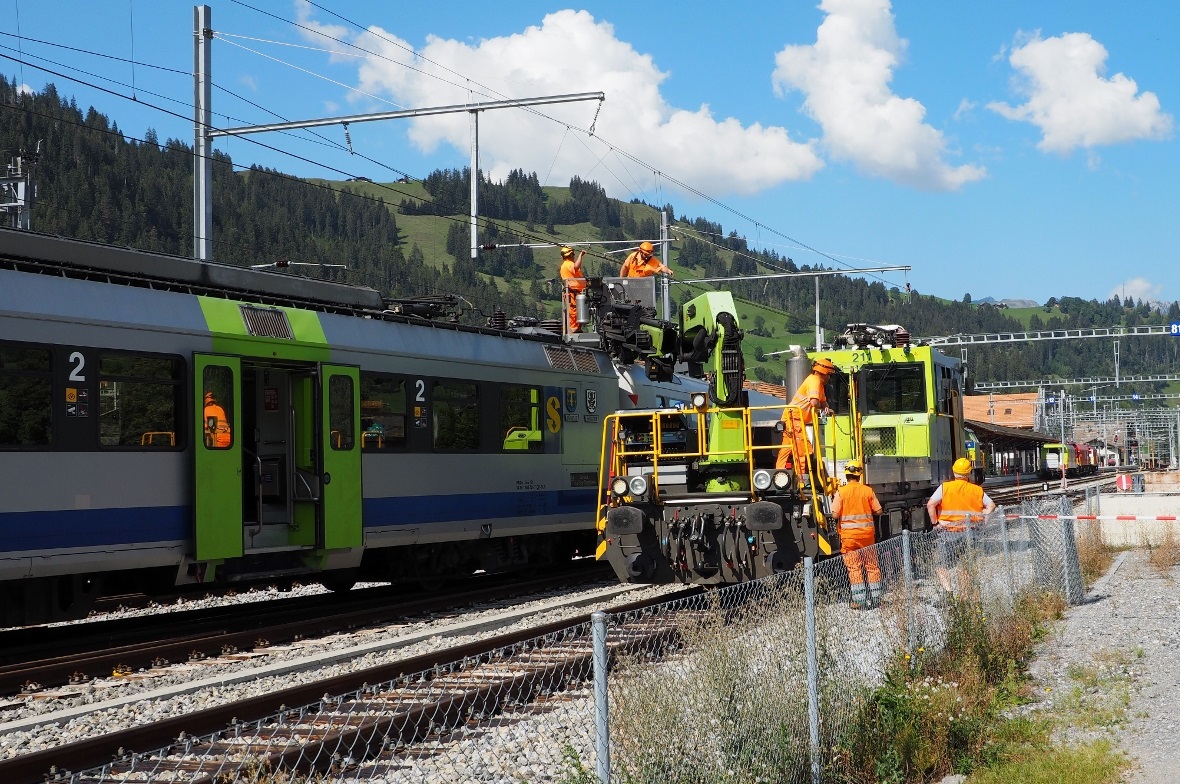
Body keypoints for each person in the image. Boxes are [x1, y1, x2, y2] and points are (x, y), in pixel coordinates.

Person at [926, 456, 996, 597]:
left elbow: (930, 505)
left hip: (948, 533)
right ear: (969, 472)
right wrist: (984, 520)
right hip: (972, 532)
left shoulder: (945, 487)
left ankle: (949, 592)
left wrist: (935, 523)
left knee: (941, 564)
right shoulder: (977, 490)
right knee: (965, 566)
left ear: (953, 471)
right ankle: (964, 597)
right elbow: (991, 506)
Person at [832, 459, 883, 609]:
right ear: (860, 475)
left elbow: (835, 515)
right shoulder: (867, 491)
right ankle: (876, 599)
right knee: (872, 566)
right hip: (867, 536)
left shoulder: (841, 492)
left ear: (846, 475)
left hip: (849, 537)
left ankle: (859, 601)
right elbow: (879, 511)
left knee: (854, 568)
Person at [775, 357, 837, 473]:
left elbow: (823, 401)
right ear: (825, 373)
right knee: (802, 450)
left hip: (792, 418)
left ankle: (779, 474)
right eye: (829, 375)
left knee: (787, 449)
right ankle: (801, 478)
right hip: (794, 418)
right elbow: (814, 402)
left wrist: (826, 408)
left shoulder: (819, 384)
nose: (829, 378)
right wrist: (823, 408)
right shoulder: (815, 381)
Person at [558, 246, 587, 333]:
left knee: (578, 310)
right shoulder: (568, 264)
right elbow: (576, 267)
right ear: (570, 255)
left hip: (576, 292)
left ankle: (577, 328)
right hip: (572, 293)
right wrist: (581, 255)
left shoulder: (565, 265)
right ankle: (573, 329)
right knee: (574, 311)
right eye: (573, 254)